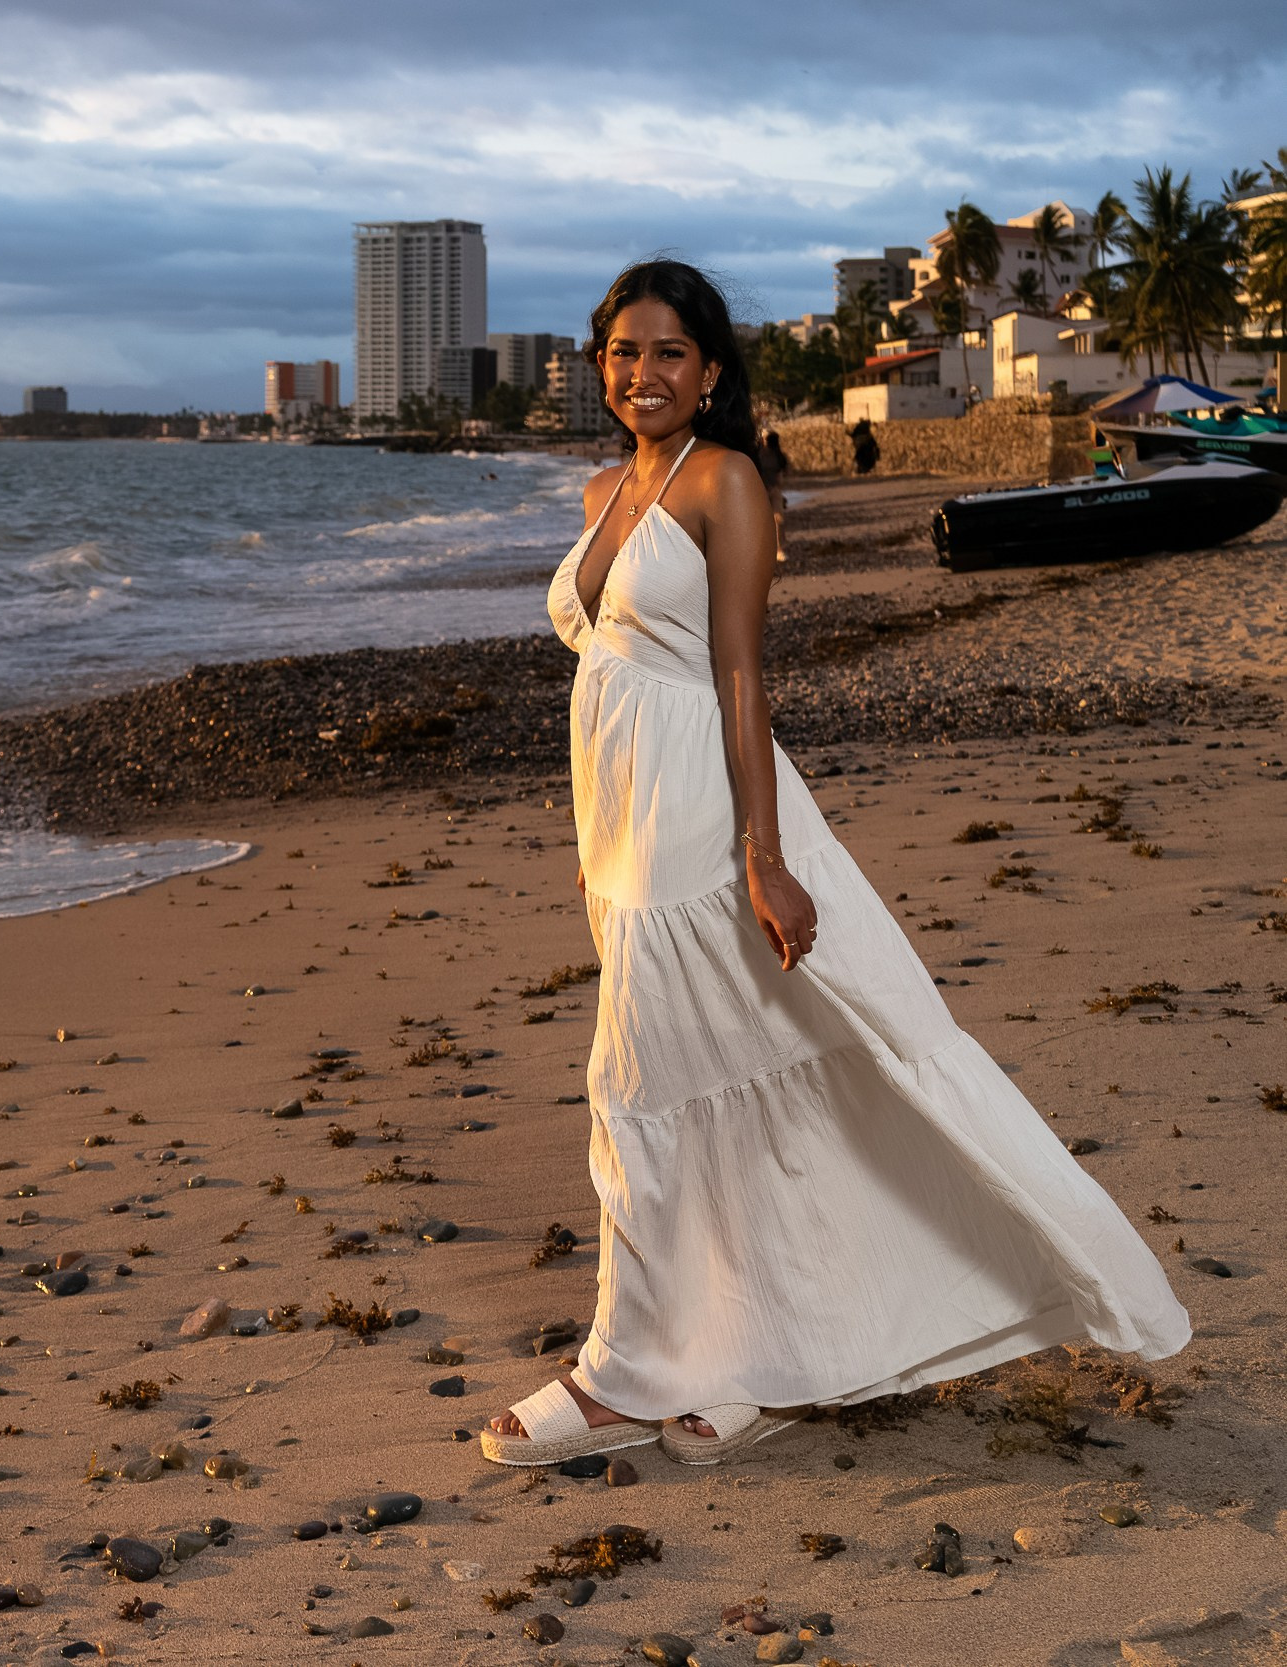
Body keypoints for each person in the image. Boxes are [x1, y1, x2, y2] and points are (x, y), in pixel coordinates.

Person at [479, 259, 1189, 1469]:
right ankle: (752, 1360)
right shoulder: (605, 488)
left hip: (702, 822)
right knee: (727, 1074)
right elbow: (611, 666)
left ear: (709, 370)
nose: (641, 372)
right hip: (623, 828)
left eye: (666, 352)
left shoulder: (725, 481)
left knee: (635, 1088)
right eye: (621, 350)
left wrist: (762, 855)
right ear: (598, 364)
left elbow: (740, 674)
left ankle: (620, 1376)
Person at [756, 429, 790, 564]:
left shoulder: (778, 456)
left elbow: (782, 473)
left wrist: (778, 488)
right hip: (760, 490)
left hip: (774, 490)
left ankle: (779, 549)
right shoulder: (756, 454)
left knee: (778, 519)